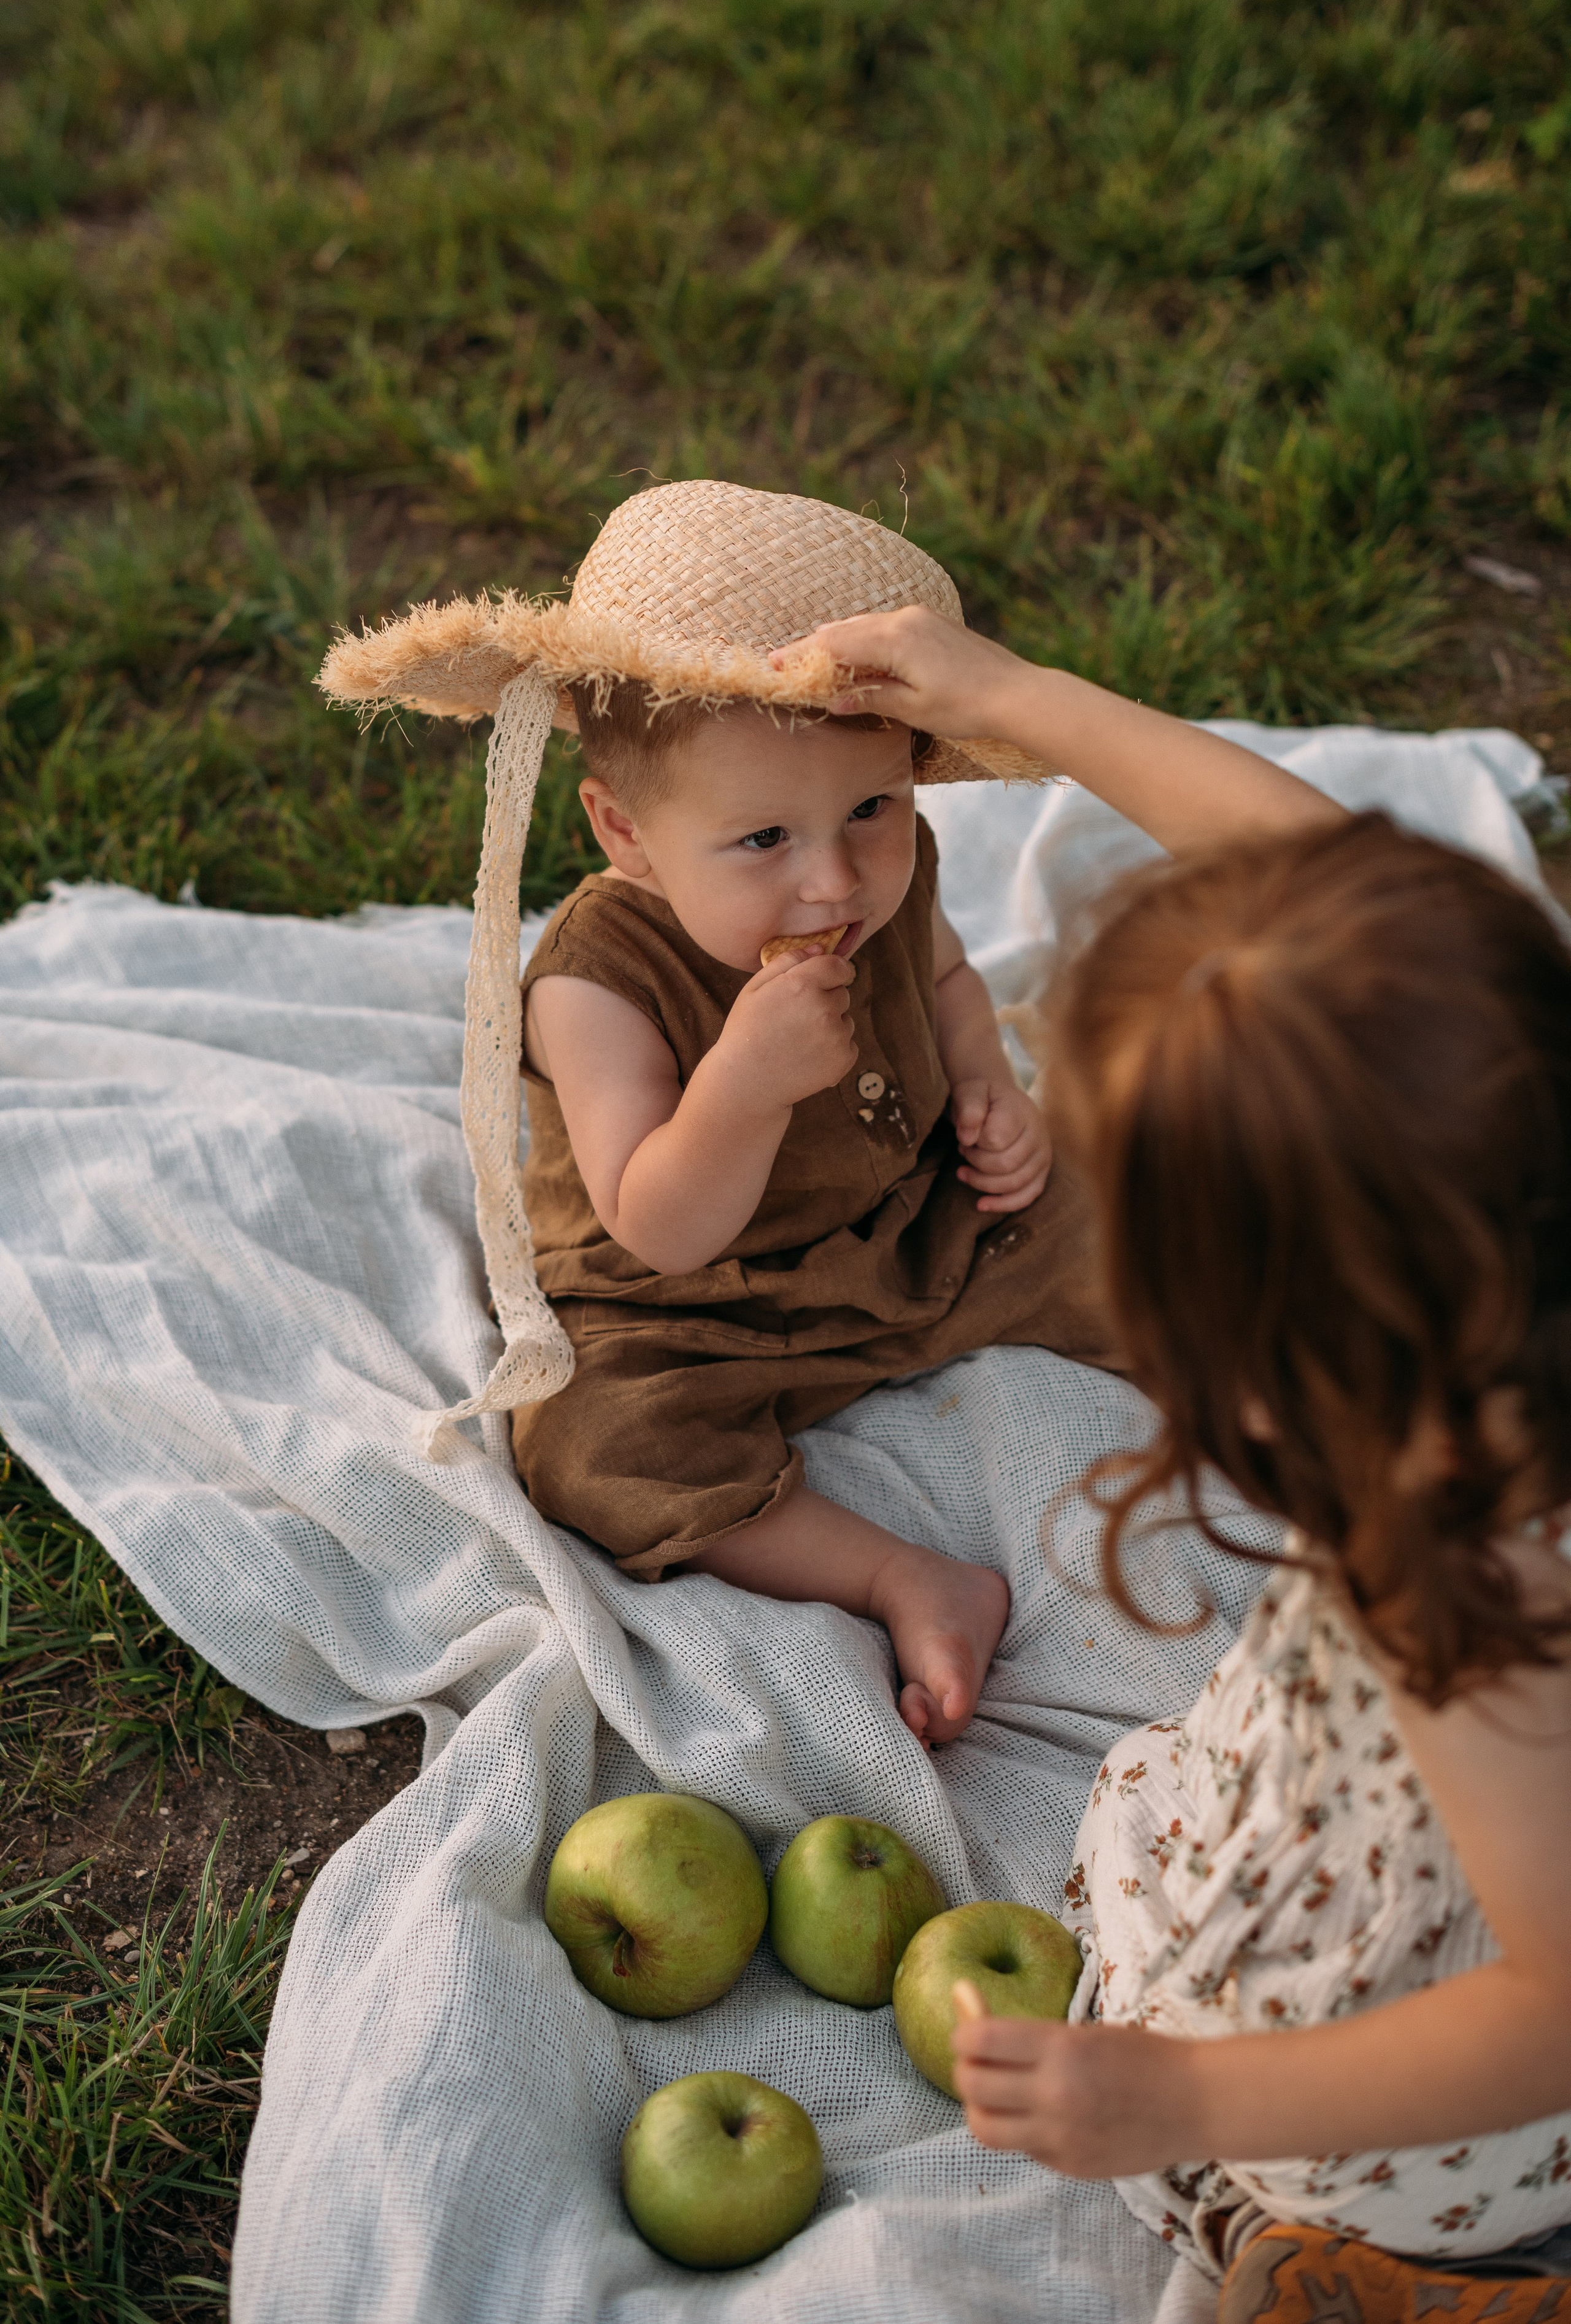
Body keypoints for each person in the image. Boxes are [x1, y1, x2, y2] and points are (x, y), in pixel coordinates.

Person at [776, 600, 1571, 2320]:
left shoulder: (1451, 1568)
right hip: (1426, 1844)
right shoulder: (1516, 1117)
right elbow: (1338, 876)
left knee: (1242, 2111)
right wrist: (1020, 698)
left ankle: (1408, 2270)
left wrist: (1189, 2101)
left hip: (1444, 2110)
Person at [499, 485, 1335, 1750]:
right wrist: (741, 1082)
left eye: (870, 812)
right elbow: (656, 1222)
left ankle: (1278, 1398)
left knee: (1137, 1215)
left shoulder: (894, 874)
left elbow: (943, 979)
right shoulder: (594, 975)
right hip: (704, 1304)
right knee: (590, 1445)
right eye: (764, 838)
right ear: (627, 833)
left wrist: (987, 1081)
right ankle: (901, 1577)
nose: (831, 879)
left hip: (921, 1212)